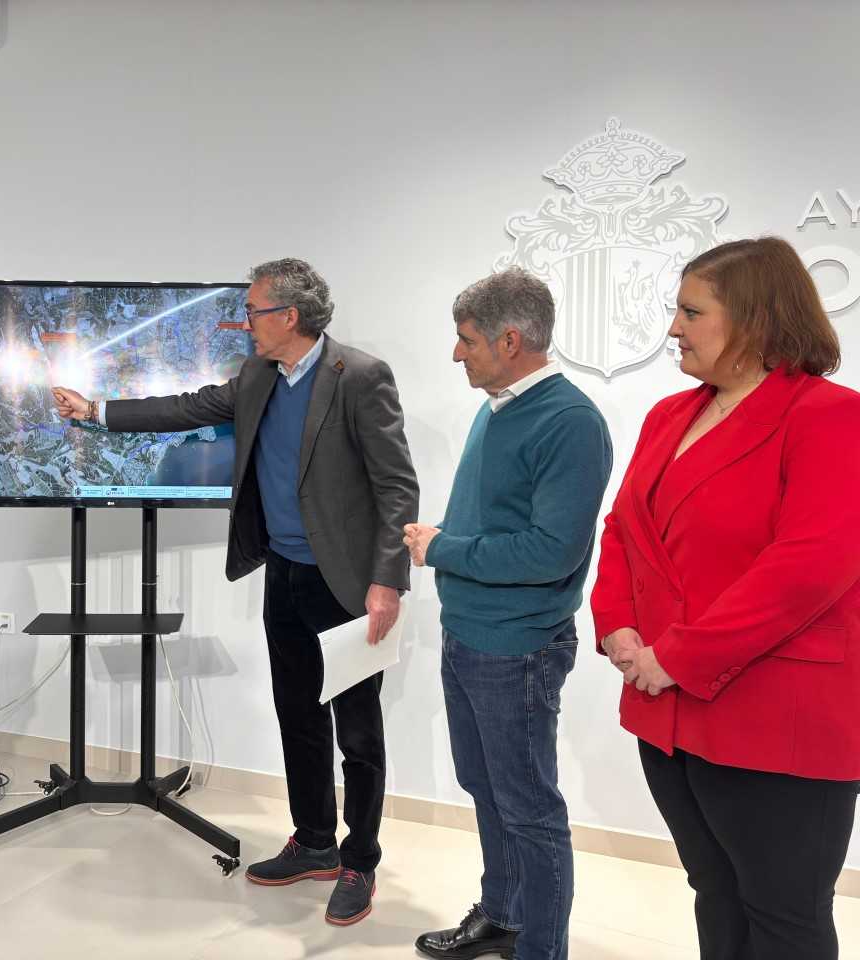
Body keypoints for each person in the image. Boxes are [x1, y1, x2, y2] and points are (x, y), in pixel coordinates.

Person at [53, 257, 418, 926]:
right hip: (283, 573)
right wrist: (97, 411)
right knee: (297, 715)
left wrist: (387, 581)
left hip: (346, 582)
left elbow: (397, 486)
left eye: (252, 311)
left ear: (289, 316)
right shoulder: (258, 376)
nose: (244, 323)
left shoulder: (360, 377)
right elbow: (186, 407)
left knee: (358, 732)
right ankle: (314, 841)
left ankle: (359, 859)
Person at [590, 237, 860, 960]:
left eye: (691, 312)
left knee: (783, 915)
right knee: (714, 889)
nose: (673, 329)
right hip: (667, 708)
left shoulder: (829, 416)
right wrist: (616, 624)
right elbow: (623, 530)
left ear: (755, 319)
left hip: (774, 714)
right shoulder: (668, 415)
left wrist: (677, 656)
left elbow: (808, 567)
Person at [404, 267, 612, 960]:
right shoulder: (495, 407)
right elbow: (501, 523)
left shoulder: (570, 422)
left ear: (511, 341)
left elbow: (552, 552)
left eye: (466, 340)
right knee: (487, 790)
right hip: (468, 633)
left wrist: (443, 548)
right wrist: (447, 538)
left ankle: (540, 949)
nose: (456, 353)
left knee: (529, 810)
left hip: (517, 647)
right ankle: (501, 916)